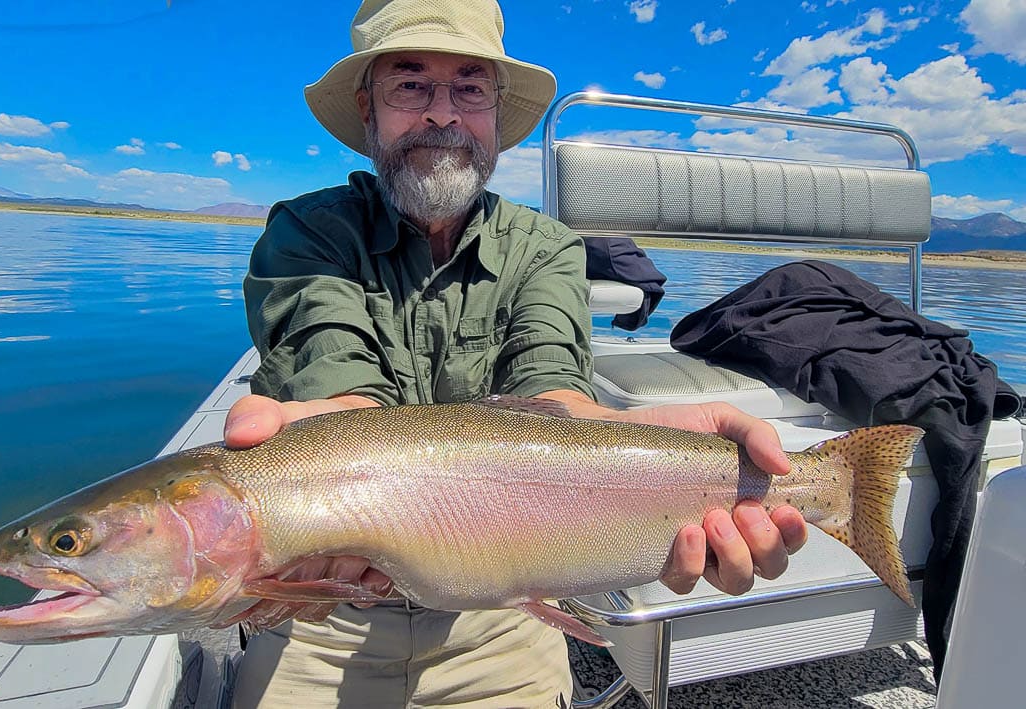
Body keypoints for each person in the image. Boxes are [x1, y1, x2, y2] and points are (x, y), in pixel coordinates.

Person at [224, 1, 808, 706]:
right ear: (368, 108)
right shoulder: (305, 233)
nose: (442, 114)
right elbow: (346, 395)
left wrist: (635, 443)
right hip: (322, 611)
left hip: (499, 614)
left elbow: (555, 395)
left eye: (469, 88)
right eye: (410, 85)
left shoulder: (547, 248)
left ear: (495, 115)